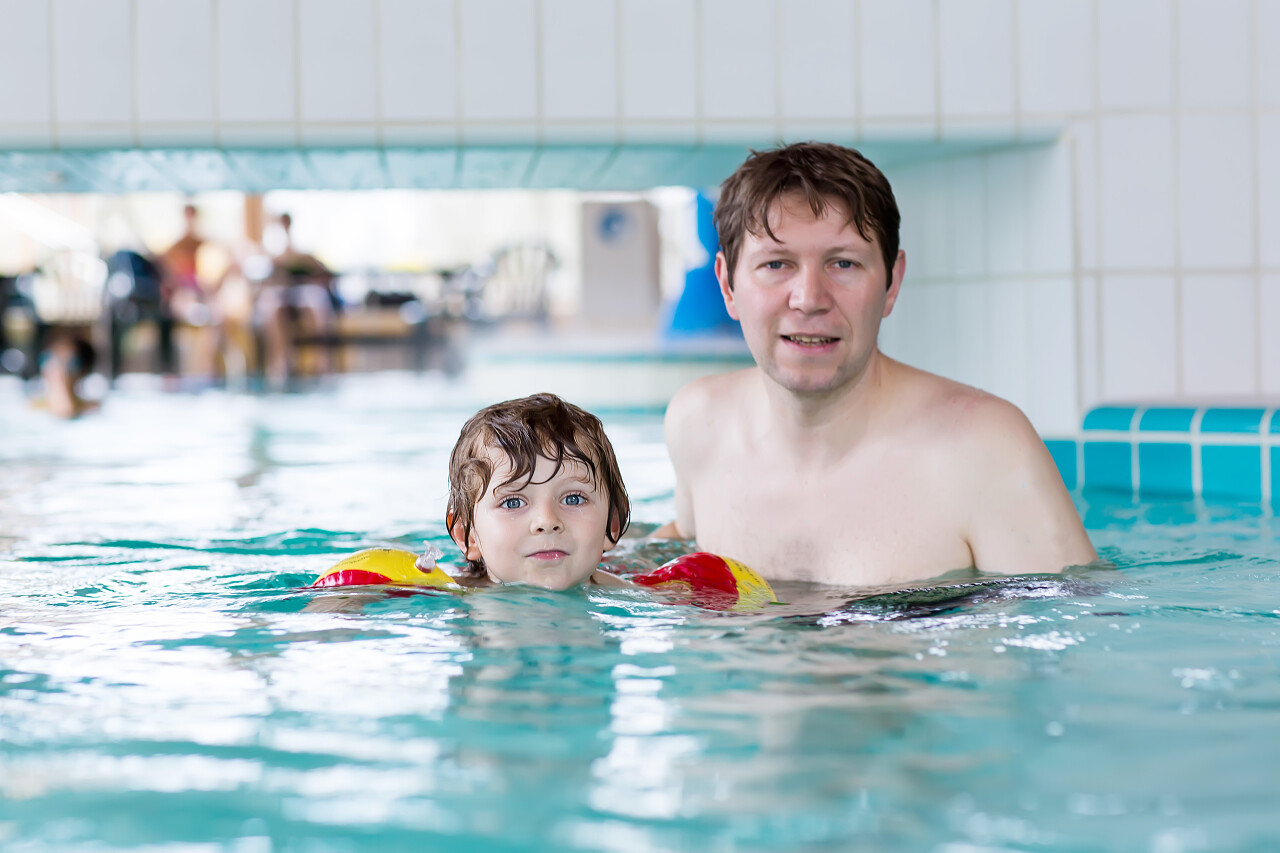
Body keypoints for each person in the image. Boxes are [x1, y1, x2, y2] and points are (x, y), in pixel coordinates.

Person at [655, 142, 1097, 585]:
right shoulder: (699, 423)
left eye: (843, 263)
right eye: (776, 264)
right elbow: (682, 541)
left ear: (891, 283)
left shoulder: (986, 450)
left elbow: (1074, 625)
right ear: (727, 286)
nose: (809, 299)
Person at [443, 393, 633, 590]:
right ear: (468, 536)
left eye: (574, 499)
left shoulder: (639, 598)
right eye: (512, 502)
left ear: (612, 524)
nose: (547, 521)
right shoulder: (447, 596)